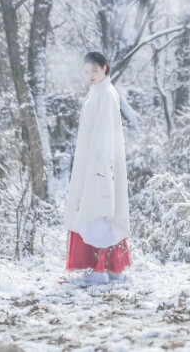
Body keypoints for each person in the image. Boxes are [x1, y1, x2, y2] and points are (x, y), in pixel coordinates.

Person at [63, 51, 132, 284]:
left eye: (94, 70)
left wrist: (98, 165)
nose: (90, 75)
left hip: (100, 161)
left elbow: (105, 133)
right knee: (97, 210)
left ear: (105, 68)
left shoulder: (107, 94)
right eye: (86, 71)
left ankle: (101, 269)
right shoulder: (96, 92)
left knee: (99, 211)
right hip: (92, 158)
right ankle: (112, 269)